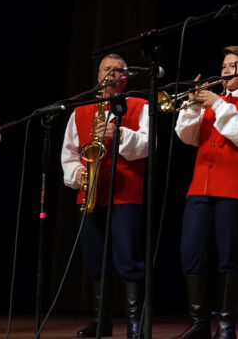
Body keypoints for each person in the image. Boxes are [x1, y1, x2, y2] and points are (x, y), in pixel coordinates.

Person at [172, 45, 238, 339]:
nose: (224, 71)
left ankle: (226, 326)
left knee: (230, 254)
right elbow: (187, 137)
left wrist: (217, 104)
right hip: (200, 186)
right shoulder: (214, 102)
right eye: (223, 66)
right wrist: (192, 106)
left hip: (235, 189)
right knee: (191, 251)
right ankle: (199, 323)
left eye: (232, 66)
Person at [61, 53, 149, 339]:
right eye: (106, 70)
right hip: (90, 194)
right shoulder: (80, 111)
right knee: (95, 258)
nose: (111, 74)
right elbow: (70, 153)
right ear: (98, 76)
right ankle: (102, 320)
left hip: (126, 194)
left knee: (128, 260)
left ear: (127, 76)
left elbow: (147, 145)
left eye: (118, 70)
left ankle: (135, 323)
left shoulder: (140, 105)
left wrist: (118, 134)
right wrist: (78, 176)